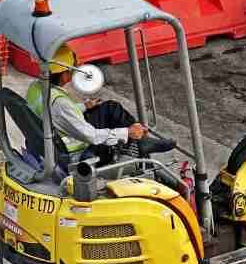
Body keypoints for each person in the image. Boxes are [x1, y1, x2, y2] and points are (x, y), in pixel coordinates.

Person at [25, 44, 174, 172]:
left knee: (110, 107)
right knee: (119, 130)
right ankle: (139, 140)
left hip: (55, 135)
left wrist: (84, 106)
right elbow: (91, 135)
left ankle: (141, 139)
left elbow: (55, 114)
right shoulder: (60, 103)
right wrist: (126, 132)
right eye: (71, 71)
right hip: (76, 150)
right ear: (64, 74)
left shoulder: (36, 87)